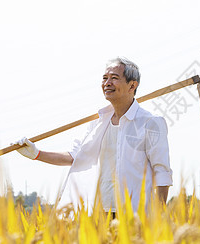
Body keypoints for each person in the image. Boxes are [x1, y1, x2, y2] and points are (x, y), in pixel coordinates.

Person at [12, 57, 173, 214]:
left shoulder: (150, 123)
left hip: (137, 214)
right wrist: (37, 154)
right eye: (104, 78)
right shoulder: (97, 124)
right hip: (100, 213)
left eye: (114, 78)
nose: (107, 83)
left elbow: (162, 171)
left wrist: (159, 214)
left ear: (132, 86)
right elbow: (74, 157)